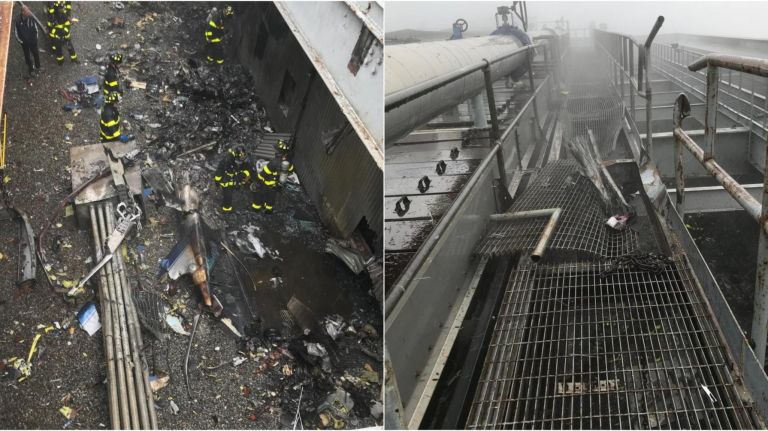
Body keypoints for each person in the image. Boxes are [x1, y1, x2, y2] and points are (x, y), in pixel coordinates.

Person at [252, 140, 293, 213]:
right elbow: (291, 169)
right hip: (275, 185)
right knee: (271, 199)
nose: (275, 150)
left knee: (259, 196)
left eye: (276, 149)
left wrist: (257, 182)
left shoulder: (274, 162)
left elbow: (264, 173)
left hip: (266, 184)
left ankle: (255, 210)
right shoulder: (287, 162)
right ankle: (268, 211)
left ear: (279, 151)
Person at [213, 146, 251, 213]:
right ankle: (225, 209)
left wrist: (244, 175)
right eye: (239, 160)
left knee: (230, 193)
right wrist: (217, 181)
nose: (240, 161)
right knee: (228, 195)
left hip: (234, 178)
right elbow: (219, 170)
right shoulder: (227, 159)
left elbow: (244, 168)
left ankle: (227, 206)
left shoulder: (241, 158)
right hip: (226, 180)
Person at [14, 6, 40, 77]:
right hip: (25, 44)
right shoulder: (18, 21)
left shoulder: (31, 18)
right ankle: (31, 70)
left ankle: (38, 67)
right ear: (22, 12)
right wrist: (22, 42)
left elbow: (36, 28)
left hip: (33, 42)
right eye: (27, 11)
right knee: (28, 57)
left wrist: (36, 38)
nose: (28, 12)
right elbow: (16, 33)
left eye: (28, 10)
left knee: (36, 54)